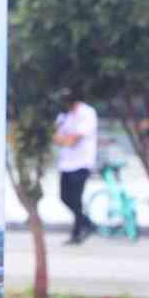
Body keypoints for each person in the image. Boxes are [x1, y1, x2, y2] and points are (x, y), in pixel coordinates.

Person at [53, 89, 98, 245]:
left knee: (76, 199)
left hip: (82, 162)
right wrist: (65, 139)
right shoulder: (63, 115)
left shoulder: (87, 113)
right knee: (64, 197)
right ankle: (87, 223)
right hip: (65, 163)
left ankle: (77, 233)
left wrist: (66, 139)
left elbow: (73, 140)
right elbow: (56, 137)